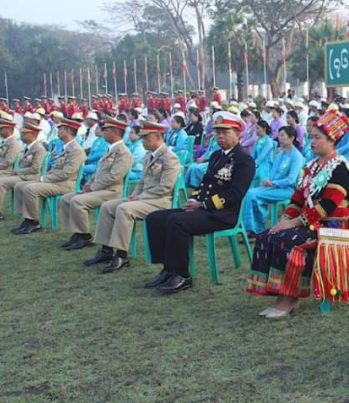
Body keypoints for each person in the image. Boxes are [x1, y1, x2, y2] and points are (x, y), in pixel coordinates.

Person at [247, 111, 349, 317]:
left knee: (288, 240)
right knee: (266, 236)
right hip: (308, 223)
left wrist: (293, 223)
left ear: (332, 140)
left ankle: (291, 298)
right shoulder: (311, 166)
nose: (311, 141)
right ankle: (280, 294)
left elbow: (327, 206)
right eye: (311, 137)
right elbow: (297, 199)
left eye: (317, 137)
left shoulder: (340, 169)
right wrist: (285, 218)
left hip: (331, 226)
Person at [143, 112, 256, 294]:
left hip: (222, 215)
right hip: (202, 209)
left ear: (238, 134)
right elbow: (204, 184)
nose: (220, 135)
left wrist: (203, 205)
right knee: (155, 218)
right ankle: (168, 268)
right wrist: (194, 199)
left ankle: (182, 275)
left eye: (225, 132)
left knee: (177, 221)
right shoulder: (217, 155)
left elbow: (235, 194)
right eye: (218, 131)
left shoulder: (245, 160)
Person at [85, 121, 182, 273]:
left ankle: (122, 255)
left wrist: (140, 197)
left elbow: (165, 187)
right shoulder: (149, 156)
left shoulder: (170, 158)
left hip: (160, 201)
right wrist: (135, 194)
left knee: (124, 209)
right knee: (108, 206)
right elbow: (142, 181)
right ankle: (106, 250)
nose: (142, 141)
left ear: (157, 137)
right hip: (145, 198)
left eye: (146, 138)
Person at [58, 116, 133, 251]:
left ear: (115, 132)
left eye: (106, 130)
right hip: (99, 188)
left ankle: (85, 237)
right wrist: (90, 183)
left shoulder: (123, 152)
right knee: (66, 198)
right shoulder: (109, 149)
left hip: (111, 191)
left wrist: (92, 187)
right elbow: (99, 172)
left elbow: (114, 177)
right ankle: (77, 233)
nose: (103, 133)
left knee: (77, 201)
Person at [11, 116, 87, 235]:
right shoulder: (65, 147)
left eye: (61, 129)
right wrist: (45, 178)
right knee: (20, 185)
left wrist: (44, 178)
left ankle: (33, 222)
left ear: (67, 131)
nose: (58, 131)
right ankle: (27, 219)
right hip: (54, 182)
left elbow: (66, 173)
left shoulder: (76, 150)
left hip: (65, 185)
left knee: (30, 188)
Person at [0, 118, 47, 224]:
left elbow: (35, 168)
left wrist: (18, 171)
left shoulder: (39, 148)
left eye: (25, 134)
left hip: (30, 177)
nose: (21, 135)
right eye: (22, 133)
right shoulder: (26, 147)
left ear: (33, 135)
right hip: (21, 175)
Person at [240, 126, 305, 234]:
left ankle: (256, 229)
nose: (279, 138)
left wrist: (274, 182)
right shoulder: (280, 155)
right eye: (279, 135)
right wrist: (267, 180)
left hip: (288, 190)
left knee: (253, 194)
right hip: (274, 187)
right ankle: (253, 227)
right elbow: (272, 173)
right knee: (250, 193)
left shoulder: (296, 156)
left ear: (291, 138)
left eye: (282, 135)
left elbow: (291, 179)